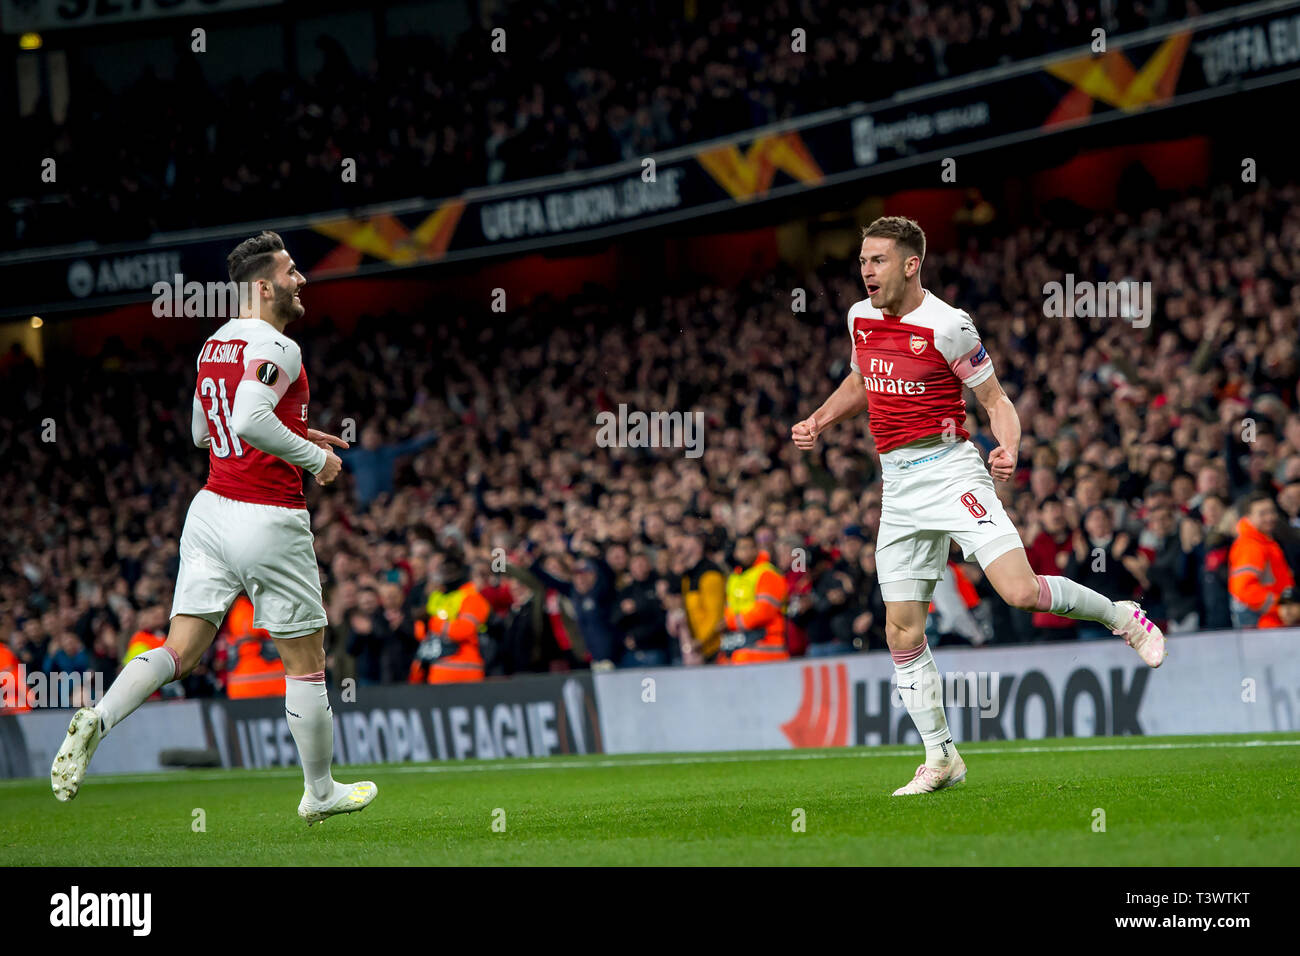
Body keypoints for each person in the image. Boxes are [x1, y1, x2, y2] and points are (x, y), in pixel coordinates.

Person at [791, 216, 1166, 797]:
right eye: (863, 260)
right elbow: (862, 379)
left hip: (950, 468)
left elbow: (995, 399)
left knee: (1017, 589)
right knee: (900, 630)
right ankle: (941, 757)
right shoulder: (859, 318)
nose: (866, 271)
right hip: (898, 486)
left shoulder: (949, 326)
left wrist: (1009, 447)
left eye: (878, 260)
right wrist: (819, 418)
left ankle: (1123, 616)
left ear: (911, 264)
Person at [50, 231, 377, 824]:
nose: (301, 280)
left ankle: (99, 715)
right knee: (305, 662)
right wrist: (315, 459)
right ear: (263, 286)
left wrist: (299, 433)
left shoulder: (212, 346)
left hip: (209, 512)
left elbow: (206, 431)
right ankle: (319, 791)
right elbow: (251, 419)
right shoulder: (280, 345)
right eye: (292, 271)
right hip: (268, 515)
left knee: (180, 650)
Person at [1228, 491, 1295, 628]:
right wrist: (1281, 607)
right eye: (1262, 513)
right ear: (1248, 517)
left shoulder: (1267, 542)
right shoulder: (1250, 546)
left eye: (1271, 511)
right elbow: (1243, 588)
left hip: (1273, 622)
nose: (1269, 517)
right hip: (1262, 624)